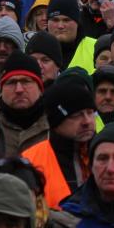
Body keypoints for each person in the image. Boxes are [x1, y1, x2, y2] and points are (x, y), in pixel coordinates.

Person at [23, 74, 101, 207]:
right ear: (56, 122)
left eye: (90, 113)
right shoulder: (30, 162)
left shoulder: (110, 152)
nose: (87, 121)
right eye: (76, 115)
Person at [0, 52, 49, 157]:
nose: (19, 90)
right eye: (11, 82)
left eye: (26, 81)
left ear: (40, 88)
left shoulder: (58, 126)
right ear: (1, 89)